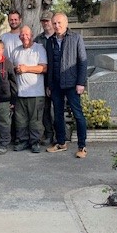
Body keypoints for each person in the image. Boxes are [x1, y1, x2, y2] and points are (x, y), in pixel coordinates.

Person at [45, 13, 89, 158]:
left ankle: (82, 147)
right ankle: (61, 142)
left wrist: (81, 83)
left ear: (66, 22)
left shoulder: (76, 38)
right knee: (57, 115)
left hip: (72, 83)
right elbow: (50, 64)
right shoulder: (50, 41)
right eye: (54, 23)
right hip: (56, 84)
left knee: (78, 114)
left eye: (59, 23)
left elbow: (82, 61)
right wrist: (49, 85)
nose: (57, 26)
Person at [10, 26, 47, 153]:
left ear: (31, 35)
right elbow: (12, 69)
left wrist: (26, 69)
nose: (24, 37)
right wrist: (17, 69)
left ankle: (35, 142)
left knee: (35, 120)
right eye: (22, 35)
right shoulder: (16, 51)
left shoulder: (39, 49)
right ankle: (23, 141)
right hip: (20, 93)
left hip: (36, 92)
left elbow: (43, 68)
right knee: (20, 120)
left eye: (27, 35)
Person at [34, 10, 55, 145]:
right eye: (43, 21)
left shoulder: (60, 37)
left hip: (57, 78)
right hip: (43, 78)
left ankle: (61, 134)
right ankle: (48, 134)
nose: (45, 23)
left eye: (47, 20)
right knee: (45, 109)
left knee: (58, 109)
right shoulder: (38, 39)